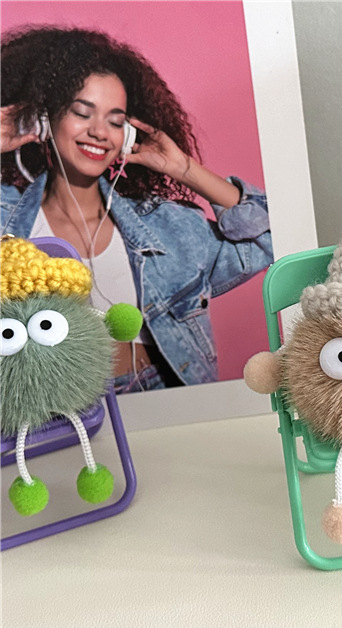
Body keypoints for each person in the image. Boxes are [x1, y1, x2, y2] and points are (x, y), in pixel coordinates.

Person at [1, 25, 273, 392]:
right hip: (51, 408)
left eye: (116, 122)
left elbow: (270, 238)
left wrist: (185, 169)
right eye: (82, 113)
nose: (100, 132)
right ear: (44, 121)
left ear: (127, 136)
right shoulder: (5, 220)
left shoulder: (167, 227)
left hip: (160, 396)